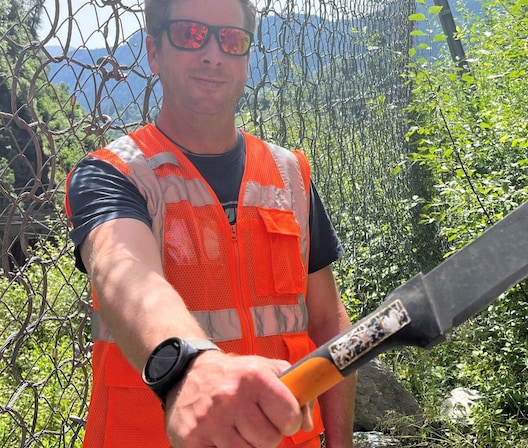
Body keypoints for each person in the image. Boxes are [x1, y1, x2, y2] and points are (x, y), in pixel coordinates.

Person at [64, 0, 356, 446]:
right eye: (190, 34)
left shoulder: (290, 173)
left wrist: (339, 442)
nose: (213, 53)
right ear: (154, 52)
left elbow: (327, 319)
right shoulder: (113, 173)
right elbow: (121, 269)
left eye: (231, 39)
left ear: (245, 60)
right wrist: (190, 366)